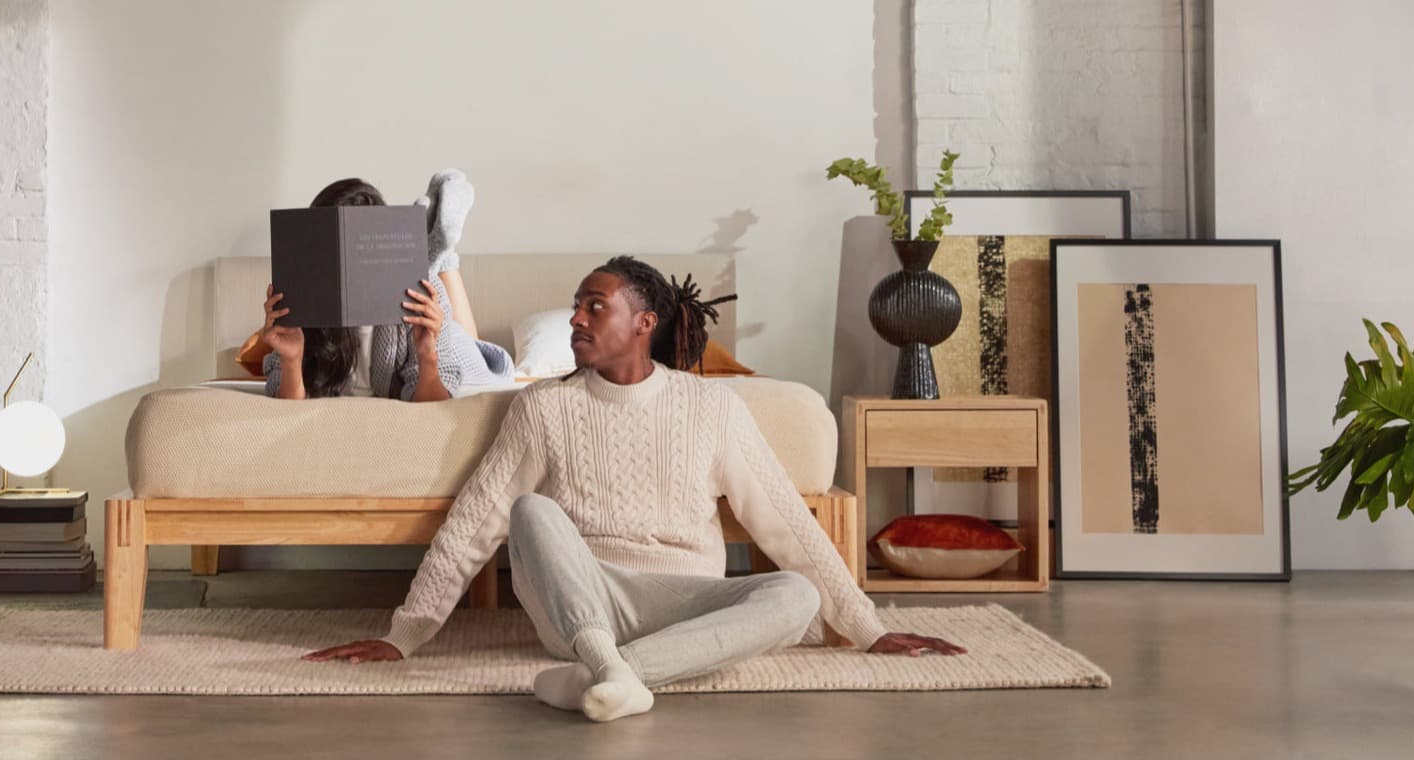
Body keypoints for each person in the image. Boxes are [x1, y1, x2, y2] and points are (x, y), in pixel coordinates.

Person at [303, 256, 965, 721]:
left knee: (795, 594)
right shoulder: (543, 407)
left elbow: (786, 523)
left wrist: (868, 628)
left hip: (688, 603)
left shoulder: (713, 406)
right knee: (530, 510)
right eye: (575, 306)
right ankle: (606, 660)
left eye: (595, 306)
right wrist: (405, 634)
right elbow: (477, 521)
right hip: (583, 604)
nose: (577, 318)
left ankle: (611, 677)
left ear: (645, 322)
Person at [262, 173, 512, 400]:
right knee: (429, 280)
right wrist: (291, 360)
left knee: (464, 339)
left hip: (460, 354)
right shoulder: (299, 297)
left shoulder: (421, 292)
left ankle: (442, 256)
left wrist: (428, 355)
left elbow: (434, 406)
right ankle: (427, 252)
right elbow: (288, 405)